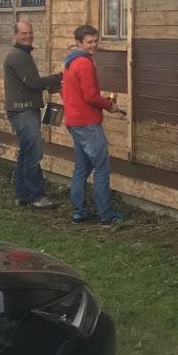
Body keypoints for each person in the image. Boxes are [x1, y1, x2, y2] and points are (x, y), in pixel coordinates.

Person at [62, 25, 125, 227]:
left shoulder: (69, 62)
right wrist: (110, 106)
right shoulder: (85, 63)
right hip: (87, 122)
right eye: (89, 42)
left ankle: (79, 212)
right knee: (101, 168)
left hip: (74, 120)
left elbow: (70, 91)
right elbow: (91, 96)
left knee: (82, 167)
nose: (94, 45)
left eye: (96, 41)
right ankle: (106, 216)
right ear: (79, 43)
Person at [3, 21, 62, 209]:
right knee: (34, 153)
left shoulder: (24, 55)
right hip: (23, 112)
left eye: (30, 32)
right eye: (23, 33)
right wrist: (60, 77)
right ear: (15, 36)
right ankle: (37, 196)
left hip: (26, 110)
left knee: (26, 152)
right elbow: (32, 82)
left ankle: (22, 195)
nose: (28, 36)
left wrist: (48, 85)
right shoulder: (17, 56)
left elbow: (31, 83)